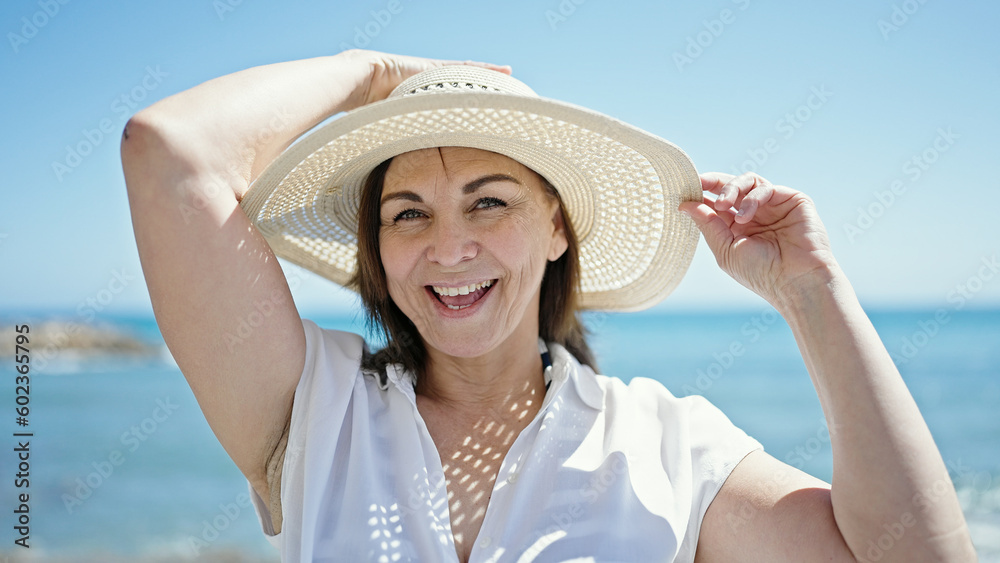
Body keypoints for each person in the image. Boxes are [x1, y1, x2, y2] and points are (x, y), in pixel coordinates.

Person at [121, 50, 976, 562]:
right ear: (376, 250)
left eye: (489, 202)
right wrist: (376, 73)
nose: (448, 248)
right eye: (406, 213)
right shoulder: (313, 409)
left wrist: (811, 291)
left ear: (558, 228)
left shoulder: (669, 448)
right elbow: (167, 154)